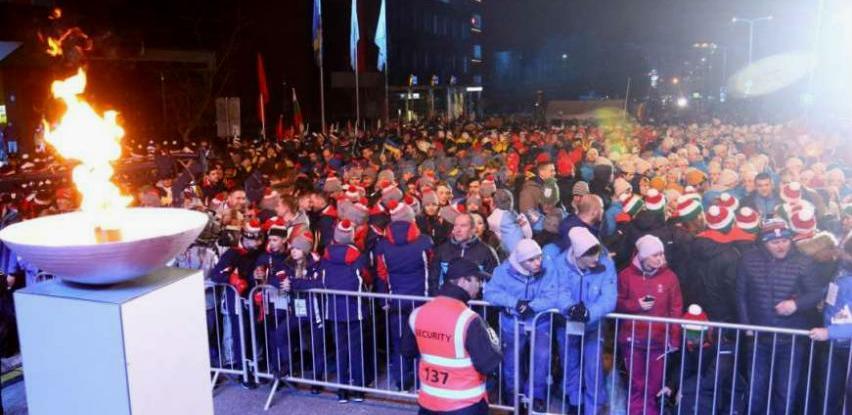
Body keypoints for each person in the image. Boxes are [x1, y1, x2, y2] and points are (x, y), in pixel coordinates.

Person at [736, 218, 824, 415]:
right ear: (764, 242)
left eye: (784, 240)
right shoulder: (748, 259)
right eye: (774, 242)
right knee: (755, 390)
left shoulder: (804, 261)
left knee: (785, 392)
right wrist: (747, 327)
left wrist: (796, 304)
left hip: (791, 339)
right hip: (759, 337)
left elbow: (817, 292)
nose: (781, 246)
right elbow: (740, 295)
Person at [402, 258, 502, 415]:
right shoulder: (469, 319)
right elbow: (489, 364)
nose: (481, 285)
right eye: (478, 280)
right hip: (465, 404)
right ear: (463, 281)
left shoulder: (418, 313)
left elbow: (407, 351)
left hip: (428, 401)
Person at [483, 239, 560, 412]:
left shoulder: (548, 269)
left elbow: (553, 295)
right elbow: (490, 293)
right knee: (511, 362)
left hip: (540, 322)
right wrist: (514, 303)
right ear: (520, 261)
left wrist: (532, 306)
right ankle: (513, 397)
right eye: (531, 260)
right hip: (512, 323)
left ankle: (536, 397)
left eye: (538, 257)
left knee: (541, 360)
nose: (537, 262)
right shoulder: (503, 271)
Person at [553, 227, 617, 415]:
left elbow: (609, 297)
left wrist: (590, 313)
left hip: (593, 325)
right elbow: (558, 291)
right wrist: (570, 308)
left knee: (593, 367)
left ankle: (593, 408)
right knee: (569, 363)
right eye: (590, 256)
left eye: (597, 253)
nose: (596, 259)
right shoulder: (560, 264)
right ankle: (574, 401)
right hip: (567, 323)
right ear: (579, 255)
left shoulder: (605, 265)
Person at [616, 235, 683, 415]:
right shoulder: (625, 276)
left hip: (658, 341)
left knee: (654, 385)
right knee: (636, 384)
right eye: (656, 255)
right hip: (632, 339)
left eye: (662, 254)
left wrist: (674, 337)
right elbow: (617, 303)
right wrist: (635, 305)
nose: (661, 258)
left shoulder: (670, 278)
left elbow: (676, 308)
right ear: (644, 256)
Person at [374, 200, 434, 391]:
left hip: (396, 302)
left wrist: (384, 298)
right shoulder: (425, 242)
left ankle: (401, 381)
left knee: (399, 341)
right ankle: (420, 381)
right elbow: (431, 270)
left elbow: (381, 275)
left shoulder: (383, 246)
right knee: (421, 341)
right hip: (422, 301)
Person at [321, 219, 372, 403]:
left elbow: (323, 279)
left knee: (340, 350)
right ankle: (357, 389)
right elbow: (365, 277)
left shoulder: (326, 256)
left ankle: (342, 390)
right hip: (354, 309)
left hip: (333, 309)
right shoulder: (357, 256)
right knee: (356, 350)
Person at [808, 236, 852, 415]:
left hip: (840, 342)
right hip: (834, 345)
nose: (841, 254)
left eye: (846, 253)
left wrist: (830, 332)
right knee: (828, 394)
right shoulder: (841, 272)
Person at [430, 214, 499, 295]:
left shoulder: (486, 251)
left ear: (473, 229)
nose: (458, 230)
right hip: (447, 302)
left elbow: (494, 282)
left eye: (463, 226)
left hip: (475, 305)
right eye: (455, 225)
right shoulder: (442, 250)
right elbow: (434, 280)